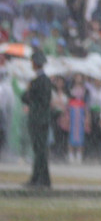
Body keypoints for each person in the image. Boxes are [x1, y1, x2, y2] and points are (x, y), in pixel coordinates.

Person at [22, 49, 52, 189]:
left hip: (38, 120)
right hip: (40, 119)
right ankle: (40, 178)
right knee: (39, 150)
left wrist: (29, 91)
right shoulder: (43, 81)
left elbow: (27, 98)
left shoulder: (40, 81)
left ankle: (42, 179)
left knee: (40, 151)